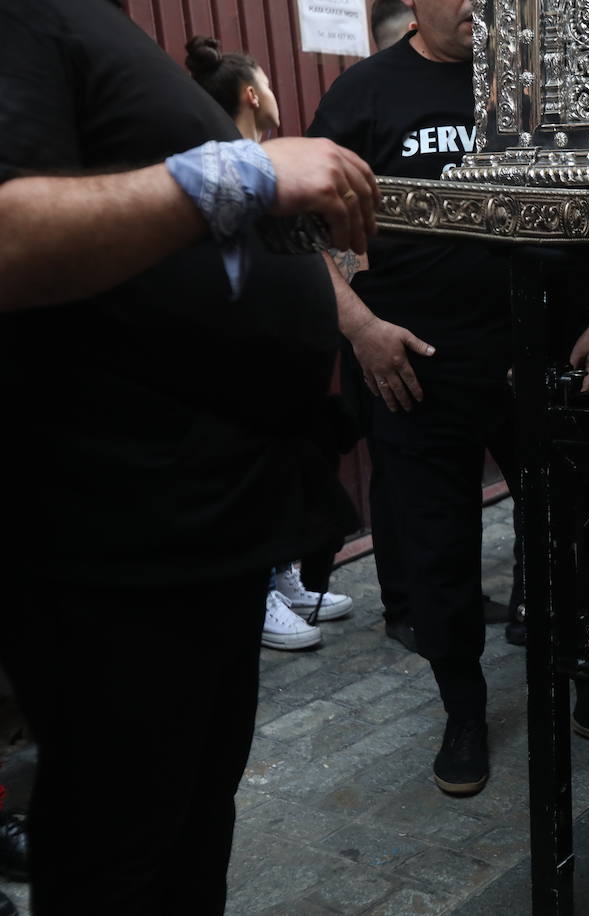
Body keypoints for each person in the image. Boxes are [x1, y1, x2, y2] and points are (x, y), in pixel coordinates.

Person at [0, 0, 377, 910]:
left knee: (190, 830)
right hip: (118, 535)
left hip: (207, 523)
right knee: (119, 853)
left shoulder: (101, 27)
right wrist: (243, 172)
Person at [309, 0, 589, 797]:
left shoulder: (534, 88)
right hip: (417, 371)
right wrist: (361, 328)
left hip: (538, 358)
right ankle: (464, 712)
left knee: (570, 537)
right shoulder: (365, 94)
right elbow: (301, 233)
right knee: (438, 555)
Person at [185, 34, 358, 652]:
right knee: (249, 474)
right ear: (253, 93)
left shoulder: (276, 165)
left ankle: (281, 574)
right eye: (272, 84)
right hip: (240, 367)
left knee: (289, 473)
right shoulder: (226, 168)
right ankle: (255, 591)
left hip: (286, 374)